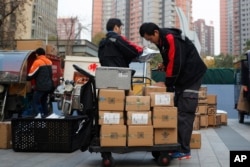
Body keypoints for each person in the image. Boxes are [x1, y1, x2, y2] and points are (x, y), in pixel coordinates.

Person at [139, 22, 207, 159]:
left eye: (150, 39)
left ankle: (184, 150)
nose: (150, 42)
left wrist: (167, 84)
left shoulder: (170, 38)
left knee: (185, 112)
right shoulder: (162, 41)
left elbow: (176, 63)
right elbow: (170, 60)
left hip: (192, 76)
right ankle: (174, 144)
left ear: (156, 33)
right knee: (177, 109)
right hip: (184, 77)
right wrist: (164, 65)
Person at [27, 47, 54, 118]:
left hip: (41, 87)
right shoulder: (49, 61)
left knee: (35, 101)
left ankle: (37, 114)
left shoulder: (37, 62)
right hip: (49, 86)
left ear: (37, 54)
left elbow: (31, 75)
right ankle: (46, 115)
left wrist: (25, 78)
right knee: (43, 101)